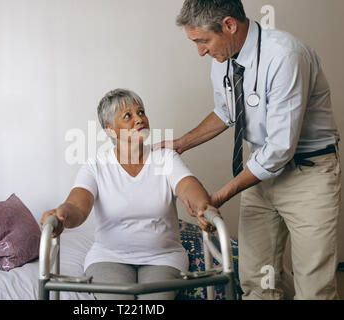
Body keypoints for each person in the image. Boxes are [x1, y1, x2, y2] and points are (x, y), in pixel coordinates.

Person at [154, 0, 341, 300]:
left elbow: (280, 149)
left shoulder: (285, 56)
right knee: (256, 277)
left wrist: (220, 195)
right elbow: (226, 111)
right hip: (261, 173)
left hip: (309, 174)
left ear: (229, 25)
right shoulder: (224, 58)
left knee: (314, 283)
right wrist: (180, 144)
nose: (201, 51)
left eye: (203, 41)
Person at [41, 88, 219, 300]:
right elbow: (78, 206)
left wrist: (202, 205)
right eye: (128, 116)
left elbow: (187, 185)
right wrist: (62, 215)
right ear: (111, 130)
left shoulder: (164, 157)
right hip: (108, 257)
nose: (139, 119)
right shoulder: (96, 166)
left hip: (163, 257)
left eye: (141, 112)